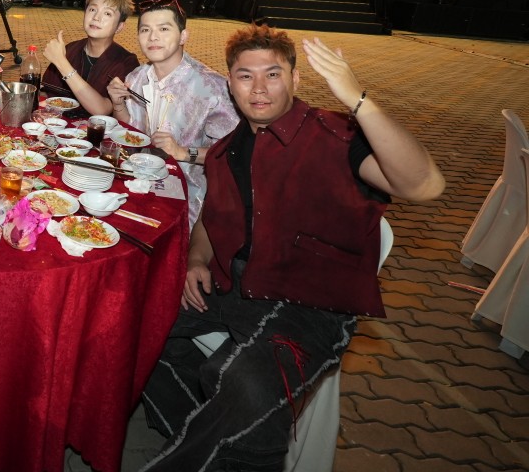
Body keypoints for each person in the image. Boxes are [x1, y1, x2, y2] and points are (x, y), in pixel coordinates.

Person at [140, 25, 444, 472]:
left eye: (273, 74)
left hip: (310, 305)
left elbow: (425, 185)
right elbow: (212, 215)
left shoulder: (335, 135)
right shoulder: (227, 149)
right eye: (245, 76)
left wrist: (358, 99)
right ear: (230, 83)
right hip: (233, 287)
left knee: (244, 381)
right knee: (137, 321)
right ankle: (206, 435)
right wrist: (197, 259)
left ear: (296, 79)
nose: (259, 88)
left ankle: (209, 447)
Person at [108, 0, 238, 229]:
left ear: (183, 36)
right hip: (138, 182)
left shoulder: (212, 88)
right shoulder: (136, 78)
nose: (153, 37)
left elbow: (233, 154)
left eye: (164, 29)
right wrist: (118, 104)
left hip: (187, 197)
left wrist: (182, 152)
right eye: (145, 30)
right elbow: (132, 131)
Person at [41, 0, 139, 115]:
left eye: (107, 13)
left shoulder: (126, 62)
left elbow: (102, 110)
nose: (96, 17)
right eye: (92, 10)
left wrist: (61, 62)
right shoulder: (70, 50)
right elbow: (46, 94)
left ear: (119, 27)